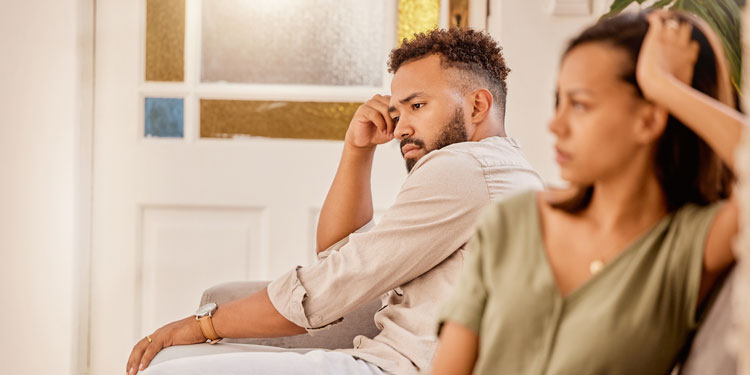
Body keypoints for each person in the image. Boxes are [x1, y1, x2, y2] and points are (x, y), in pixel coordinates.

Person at [126, 28, 543, 375]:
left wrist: (201, 327)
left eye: (418, 105)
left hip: (399, 368)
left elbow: (327, 289)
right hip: (381, 356)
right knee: (172, 361)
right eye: (398, 112)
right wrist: (357, 150)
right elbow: (338, 257)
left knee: (169, 368)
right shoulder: (496, 170)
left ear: (477, 104)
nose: (400, 128)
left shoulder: (463, 169)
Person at [432, 10, 744, 375]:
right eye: (558, 101)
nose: (556, 124)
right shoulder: (510, 222)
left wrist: (663, 85)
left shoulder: (687, 246)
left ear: (649, 119)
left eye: (579, 104)